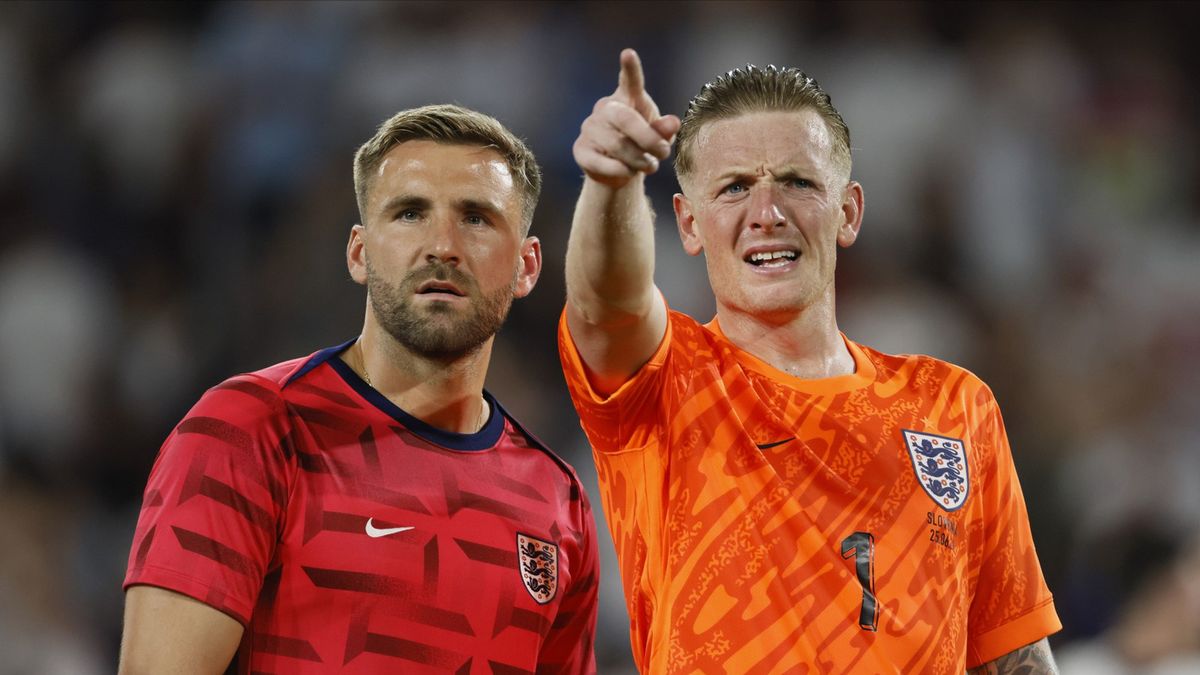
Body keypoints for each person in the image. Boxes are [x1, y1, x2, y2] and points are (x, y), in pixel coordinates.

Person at [559, 49, 1061, 674]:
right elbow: (606, 300)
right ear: (687, 224)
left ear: (848, 211)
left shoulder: (953, 403)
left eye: (796, 182)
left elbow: (1010, 648)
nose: (767, 215)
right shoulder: (664, 384)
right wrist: (612, 184)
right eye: (734, 187)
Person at [120, 104, 599, 674]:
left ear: (527, 266)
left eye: (475, 217)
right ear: (359, 252)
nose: (442, 244)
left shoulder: (558, 500)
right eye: (409, 214)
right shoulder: (249, 429)